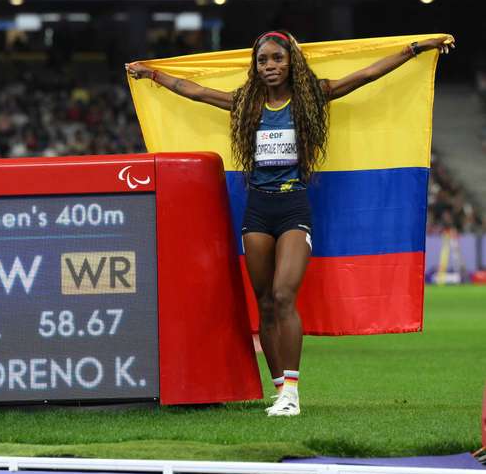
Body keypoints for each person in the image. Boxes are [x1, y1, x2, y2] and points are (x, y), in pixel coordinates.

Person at [126, 31, 455, 416]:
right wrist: (152, 74)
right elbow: (194, 91)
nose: (270, 66)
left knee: (284, 295)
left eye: (277, 59)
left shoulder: (311, 98)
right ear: (255, 66)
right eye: (263, 60)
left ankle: (293, 392)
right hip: (257, 212)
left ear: (291, 62)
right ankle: (279, 389)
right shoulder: (246, 105)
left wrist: (414, 50)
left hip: (294, 207)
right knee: (264, 304)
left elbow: (366, 75)